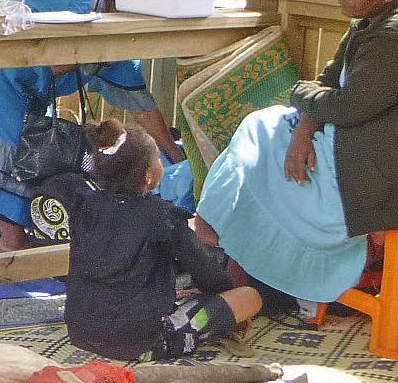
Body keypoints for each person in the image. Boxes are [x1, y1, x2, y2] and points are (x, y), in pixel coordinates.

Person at [196, 0, 398, 304]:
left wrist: (301, 97)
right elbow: (328, 81)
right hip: (360, 144)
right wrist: (303, 131)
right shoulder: (373, 22)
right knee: (263, 128)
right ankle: (226, 249)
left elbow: (346, 105)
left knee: (267, 149)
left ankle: (220, 238)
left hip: (393, 175)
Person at [0, 0, 183, 252]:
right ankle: (11, 238)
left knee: (31, 152)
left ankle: (4, 225)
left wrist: (174, 155)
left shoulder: (122, 50)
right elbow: (7, 13)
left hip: (28, 91)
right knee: (14, 152)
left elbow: (142, 108)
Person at [58, 120, 262, 361]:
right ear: (148, 176)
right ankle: (192, 330)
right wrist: (221, 300)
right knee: (249, 297)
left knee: (173, 295)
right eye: (157, 159)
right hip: (142, 342)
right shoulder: (162, 216)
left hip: (80, 332)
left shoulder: (82, 205)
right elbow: (209, 275)